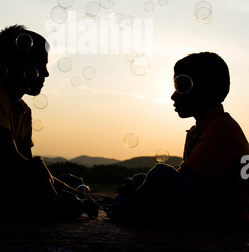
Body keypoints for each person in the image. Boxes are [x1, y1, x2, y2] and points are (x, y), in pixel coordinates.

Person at [0, 24, 98, 219]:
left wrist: (62, 184)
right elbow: (10, 157)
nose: (46, 74)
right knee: (39, 172)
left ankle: (59, 200)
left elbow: (24, 164)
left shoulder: (24, 111)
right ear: (16, 65)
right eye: (40, 65)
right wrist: (62, 189)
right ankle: (60, 207)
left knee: (49, 175)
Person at [105, 52, 249, 228]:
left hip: (228, 213)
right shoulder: (205, 127)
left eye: (180, 87)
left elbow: (189, 182)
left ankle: (123, 210)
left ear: (205, 90)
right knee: (141, 179)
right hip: (213, 203)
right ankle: (130, 206)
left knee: (159, 175)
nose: (173, 96)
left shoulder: (220, 128)